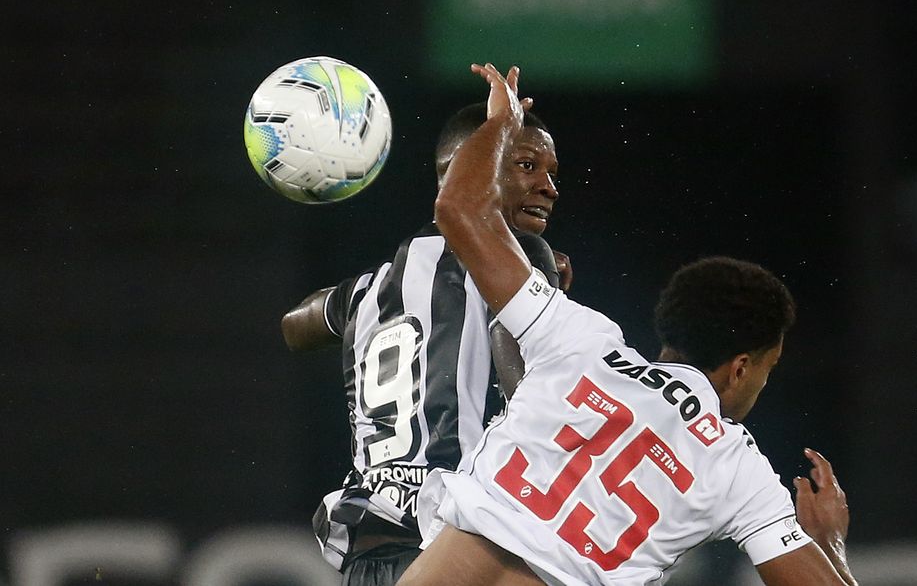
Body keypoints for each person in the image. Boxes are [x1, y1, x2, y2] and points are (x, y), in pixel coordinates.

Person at [399, 64, 858, 586]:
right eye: (767, 370)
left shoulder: (576, 337)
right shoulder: (736, 468)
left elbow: (458, 208)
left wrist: (504, 122)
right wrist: (829, 545)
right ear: (740, 368)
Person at [281, 99, 569, 584]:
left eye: (551, 172)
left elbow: (294, 325)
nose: (548, 187)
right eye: (526, 165)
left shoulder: (368, 290)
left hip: (366, 560)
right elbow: (531, 398)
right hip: (456, 552)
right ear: (465, 170)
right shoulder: (516, 262)